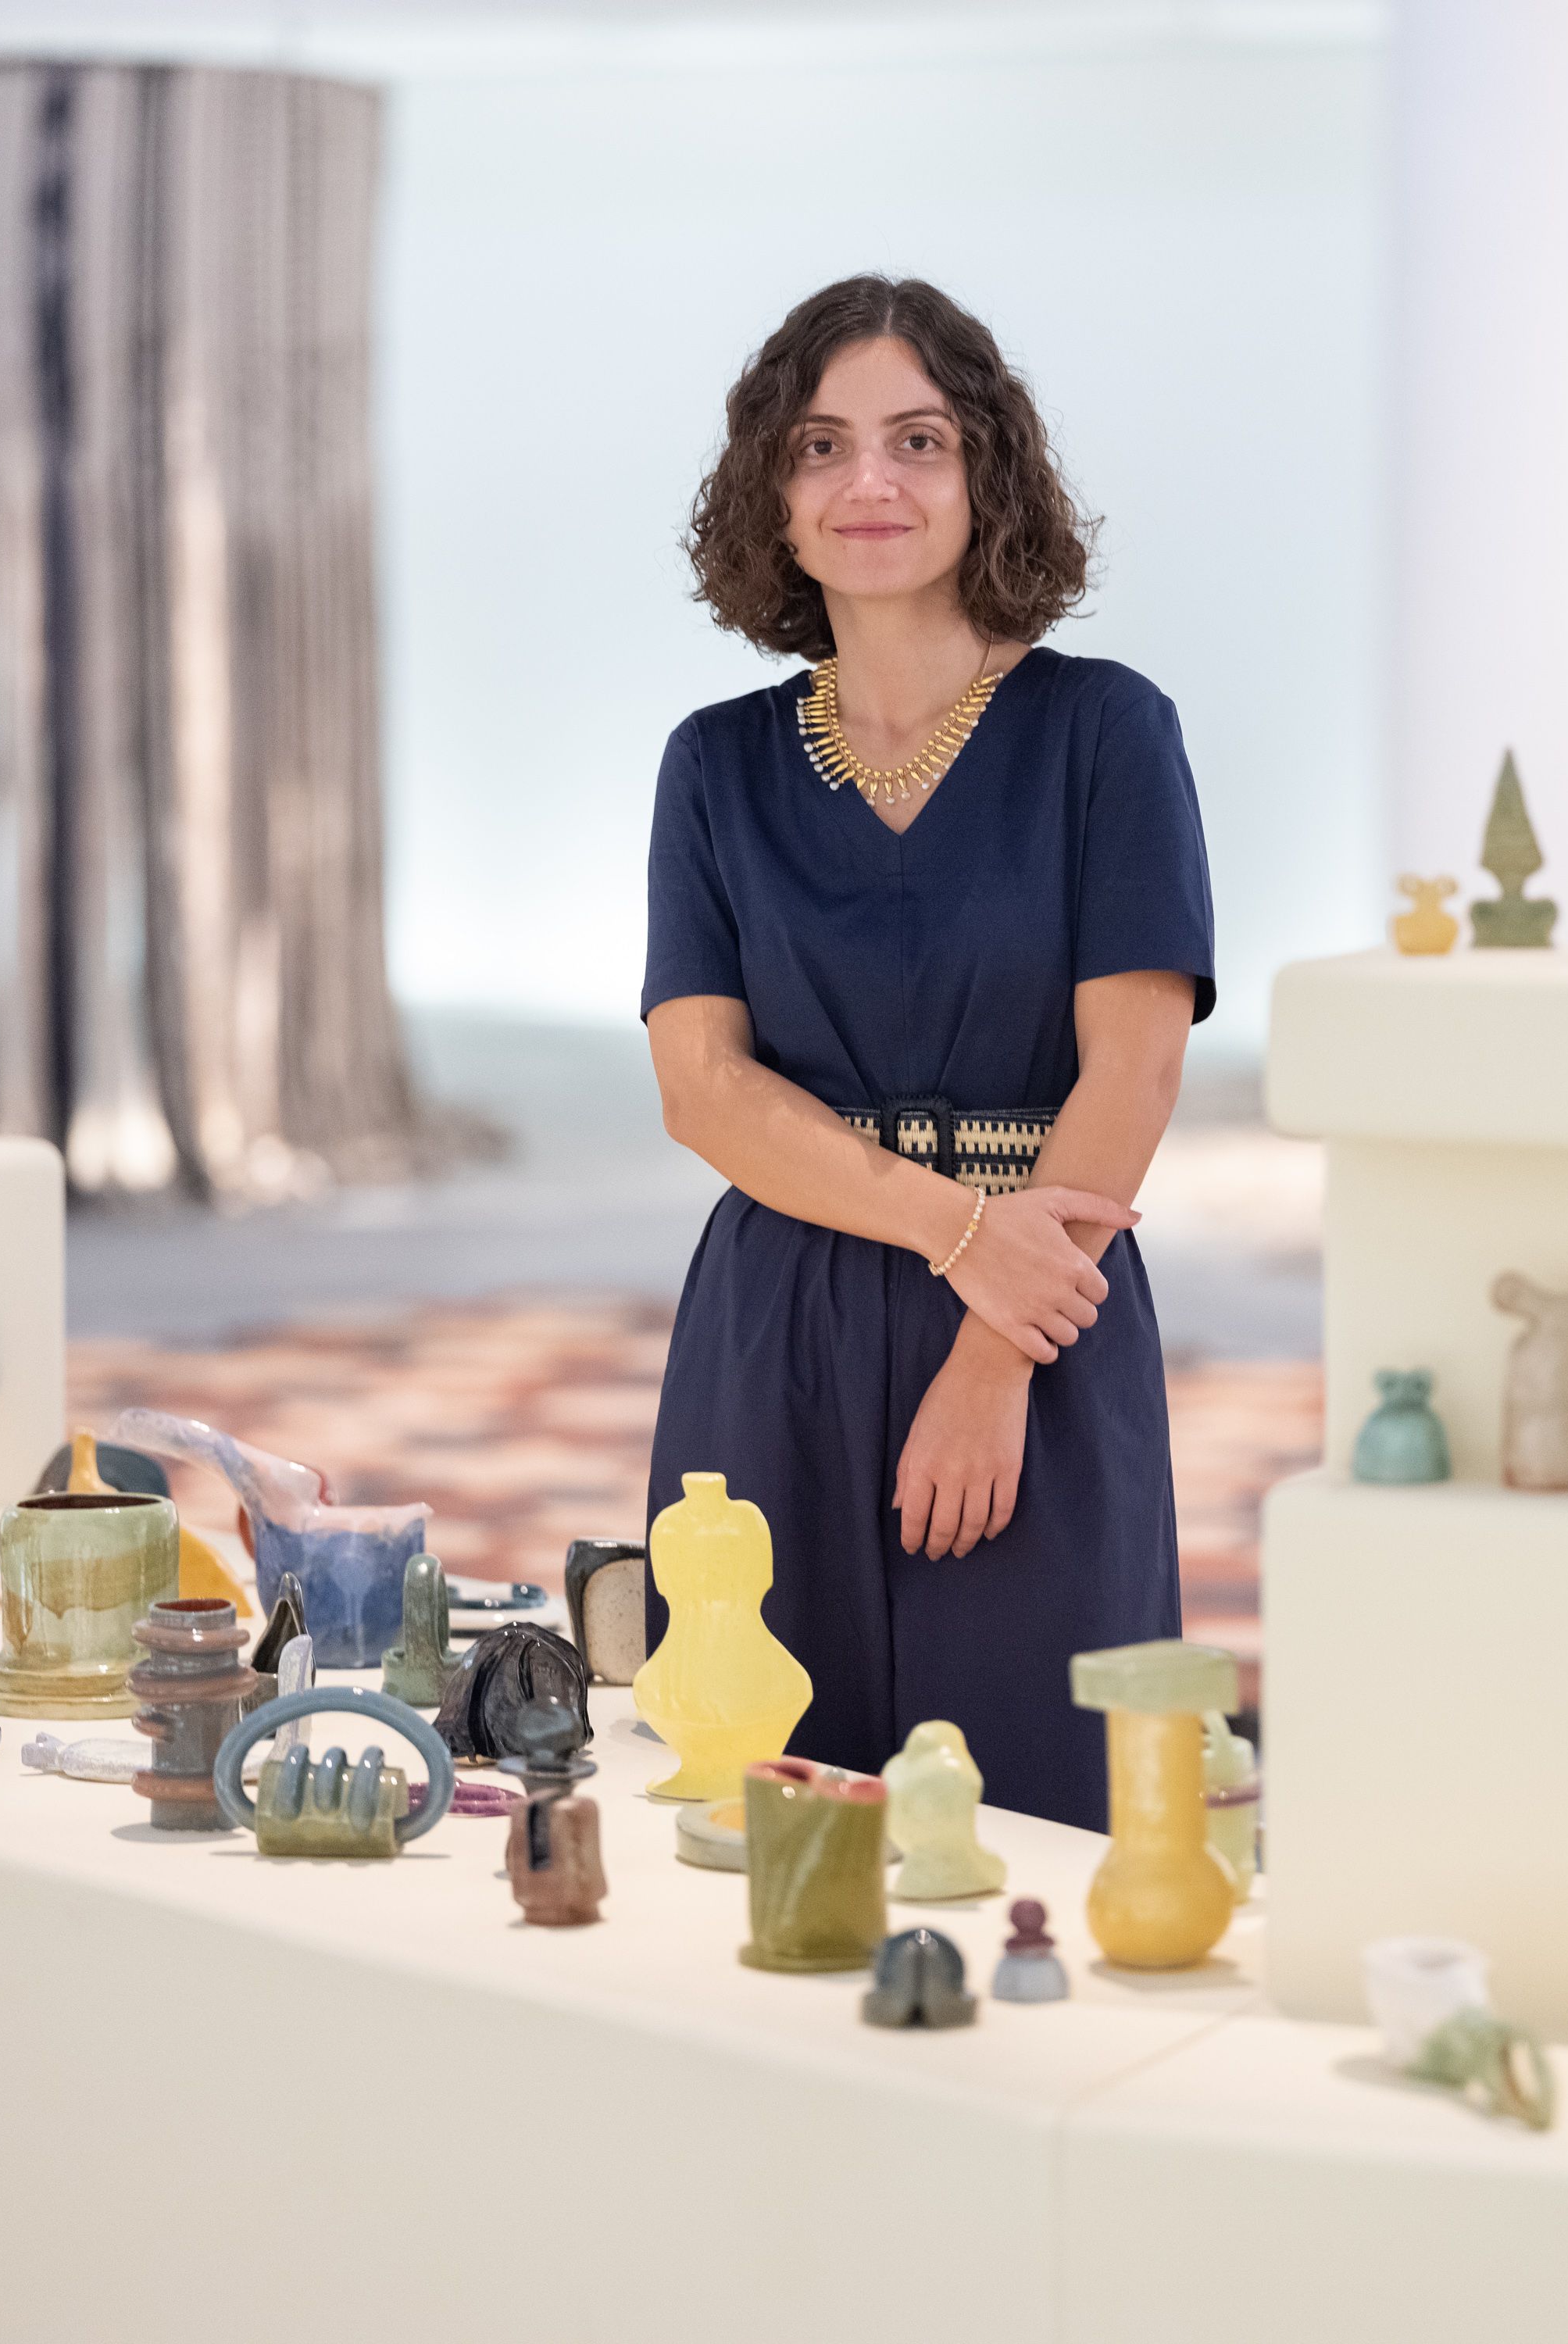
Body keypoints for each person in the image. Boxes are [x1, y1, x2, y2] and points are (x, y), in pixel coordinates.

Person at [640, 275, 1214, 1829]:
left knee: (1046, 1811)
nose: (870, 483)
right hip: (779, 1322)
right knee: (759, 1790)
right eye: (820, 446)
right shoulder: (714, 767)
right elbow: (703, 1089)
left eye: (918, 440)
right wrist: (956, 1231)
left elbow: (1134, 1071)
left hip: (1045, 1307)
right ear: (772, 493)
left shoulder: (1107, 734)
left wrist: (990, 1353)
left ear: (986, 475)